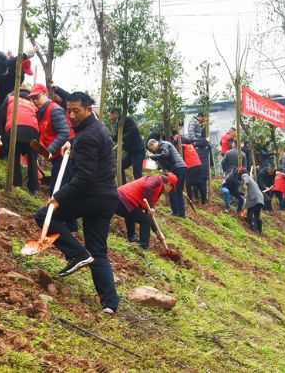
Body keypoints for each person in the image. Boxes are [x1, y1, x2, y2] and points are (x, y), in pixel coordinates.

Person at [34, 91, 119, 314]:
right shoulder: (96, 128)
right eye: (68, 110)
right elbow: (84, 138)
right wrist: (71, 141)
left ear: (89, 109)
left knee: (45, 215)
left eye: (76, 111)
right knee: (98, 251)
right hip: (107, 197)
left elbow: (85, 177)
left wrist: (58, 197)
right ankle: (110, 304)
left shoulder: (89, 136)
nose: (71, 115)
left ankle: (77, 254)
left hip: (92, 195)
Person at [28, 83, 73, 192]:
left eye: (37, 97)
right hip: (58, 157)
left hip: (66, 156)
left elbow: (64, 132)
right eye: (32, 98)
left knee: (57, 190)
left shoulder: (54, 110)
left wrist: (50, 150)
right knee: (59, 190)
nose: (34, 101)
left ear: (45, 94)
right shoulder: (41, 112)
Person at [115, 173, 176, 250]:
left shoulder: (157, 189)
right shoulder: (156, 180)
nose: (169, 191)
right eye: (171, 188)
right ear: (169, 184)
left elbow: (150, 214)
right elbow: (147, 187)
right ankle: (143, 247)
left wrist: (157, 232)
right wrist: (151, 206)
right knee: (145, 220)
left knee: (136, 214)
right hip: (121, 199)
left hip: (124, 201)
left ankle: (132, 237)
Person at [0, 87, 39, 195]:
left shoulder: (10, 98)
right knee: (32, 159)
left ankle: (17, 184)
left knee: (14, 157)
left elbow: (1, 115)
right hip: (33, 130)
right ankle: (33, 188)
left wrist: (2, 134)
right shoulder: (31, 103)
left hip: (15, 127)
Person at [147, 139, 187, 218]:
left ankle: (178, 213)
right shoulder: (163, 146)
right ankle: (179, 212)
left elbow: (165, 154)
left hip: (178, 168)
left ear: (153, 144)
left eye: (152, 149)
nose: (153, 151)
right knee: (176, 190)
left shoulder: (163, 144)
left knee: (174, 190)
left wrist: (154, 157)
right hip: (179, 168)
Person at [119, 116, 146, 184]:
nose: (110, 117)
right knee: (120, 166)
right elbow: (117, 136)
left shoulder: (127, 120)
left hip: (138, 152)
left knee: (136, 173)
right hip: (131, 153)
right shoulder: (119, 124)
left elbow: (134, 130)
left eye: (111, 115)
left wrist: (122, 137)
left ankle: (141, 189)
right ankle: (123, 186)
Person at [194, 135, 213, 202]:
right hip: (205, 167)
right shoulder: (207, 148)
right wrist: (207, 141)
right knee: (203, 184)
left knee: (195, 183)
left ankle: (196, 198)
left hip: (196, 167)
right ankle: (203, 200)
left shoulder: (195, 149)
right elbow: (210, 146)